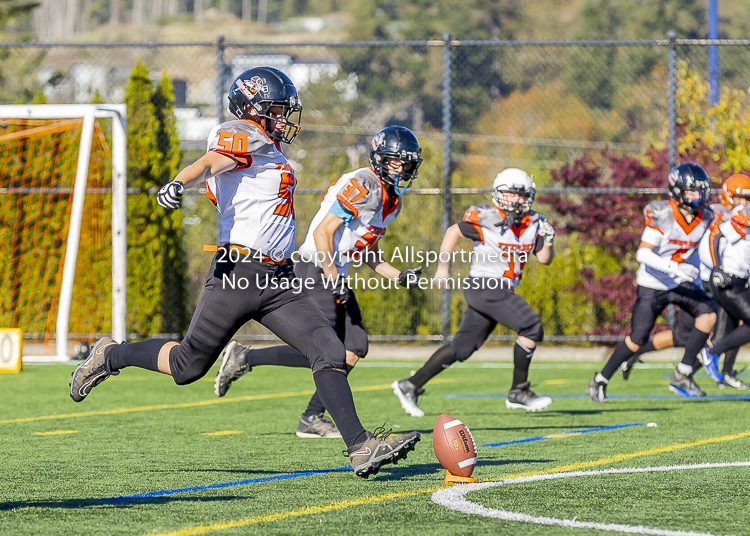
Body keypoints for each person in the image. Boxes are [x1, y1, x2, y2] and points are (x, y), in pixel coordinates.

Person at [69, 67, 420, 478]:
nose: (284, 118)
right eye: (276, 109)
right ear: (252, 108)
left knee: (330, 351)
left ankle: (361, 447)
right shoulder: (243, 134)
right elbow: (211, 162)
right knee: (187, 366)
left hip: (280, 278)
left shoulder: (269, 147)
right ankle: (110, 354)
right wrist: (179, 182)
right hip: (239, 271)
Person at [212, 126, 424, 438]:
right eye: (396, 162)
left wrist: (398, 275)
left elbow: (368, 250)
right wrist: (334, 275)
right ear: (381, 160)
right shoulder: (364, 184)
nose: (403, 169)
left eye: (407, 164)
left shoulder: (392, 200)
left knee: (354, 347)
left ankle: (296, 403)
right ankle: (294, 402)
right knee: (329, 350)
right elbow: (324, 232)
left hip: (334, 272)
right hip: (317, 268)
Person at [391, 168, 556, 417]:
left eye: (522, 194)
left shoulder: (535, 222)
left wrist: (550, 240)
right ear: (500, 194)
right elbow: (453, 231)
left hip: (500, 289)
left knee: (461, 348)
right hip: (486, 285)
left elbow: (544, 258)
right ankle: (519, 391)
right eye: (512, 193)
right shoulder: (486, 216)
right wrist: (442, 269)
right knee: (531, 327)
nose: (517, 199)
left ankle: (410, 385)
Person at [587, 162, 716, 402]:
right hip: (653, 283)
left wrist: (701, 277)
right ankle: (601, 379)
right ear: (677, 192)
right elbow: (643, 254)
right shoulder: (663, 214)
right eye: (691, 191)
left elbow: (699, 251)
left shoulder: (705, 217)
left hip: (680, 282)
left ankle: (683, 373)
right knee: (637, 339)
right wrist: (674, 267)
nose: (697, 196)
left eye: (700, 190)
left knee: (708, 314)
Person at [619, 174, 750, 389]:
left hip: (712, 278)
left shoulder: (723, 214)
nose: (745, 204)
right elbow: (710, 243)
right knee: (703, 333)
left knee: (692, 334)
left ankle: (715, 372)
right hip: (706, 279)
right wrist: (715, 268)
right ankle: (684, 370)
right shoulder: (713, 213)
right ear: (730, 196)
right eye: (741, 199)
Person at [699, 198, 750, 390]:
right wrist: (717, 267)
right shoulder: (744, 213)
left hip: (738, 281)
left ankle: (688, 369)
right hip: (728, 279)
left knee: (728, 331)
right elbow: (716, 236)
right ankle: (710, 354)